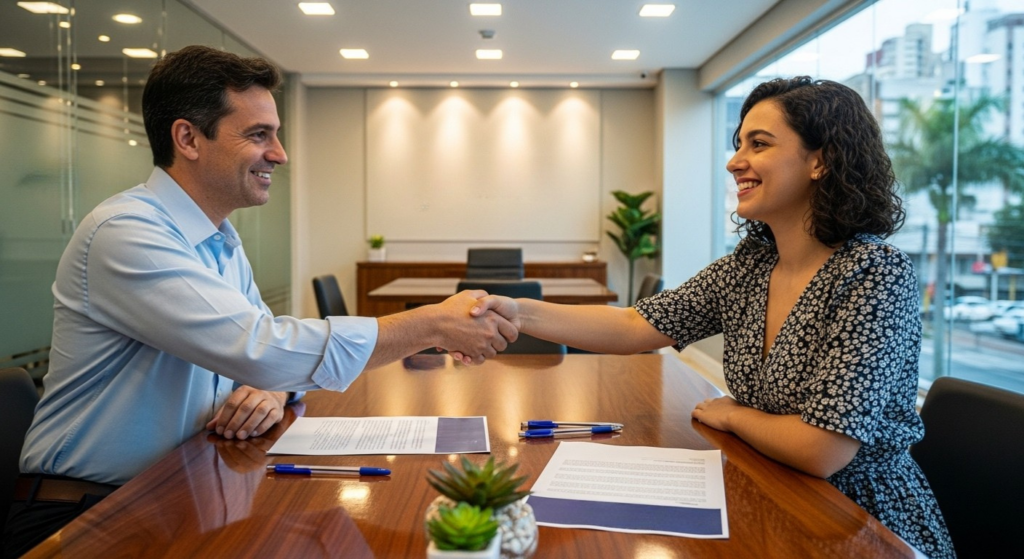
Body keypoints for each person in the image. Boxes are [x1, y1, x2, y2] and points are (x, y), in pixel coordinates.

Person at [3, 45, 516, 557]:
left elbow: (262, 362)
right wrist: (429, 325)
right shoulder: (126, 233)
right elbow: (263, 349)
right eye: (258, 135)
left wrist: (270, 392)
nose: (279, 153)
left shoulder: (220, 239)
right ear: (188, 138)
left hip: (181, 496)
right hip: (85, 518)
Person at [466, 77, 955, 557]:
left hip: (859, 522)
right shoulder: (751, 265)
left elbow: (821, 451)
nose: (734, 161)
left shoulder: (873, 273)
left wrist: (736, 414)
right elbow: (638, 325)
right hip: (773, 489)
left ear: (820, 161)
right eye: (738, 143)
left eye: (758, 144)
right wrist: (517, 311)